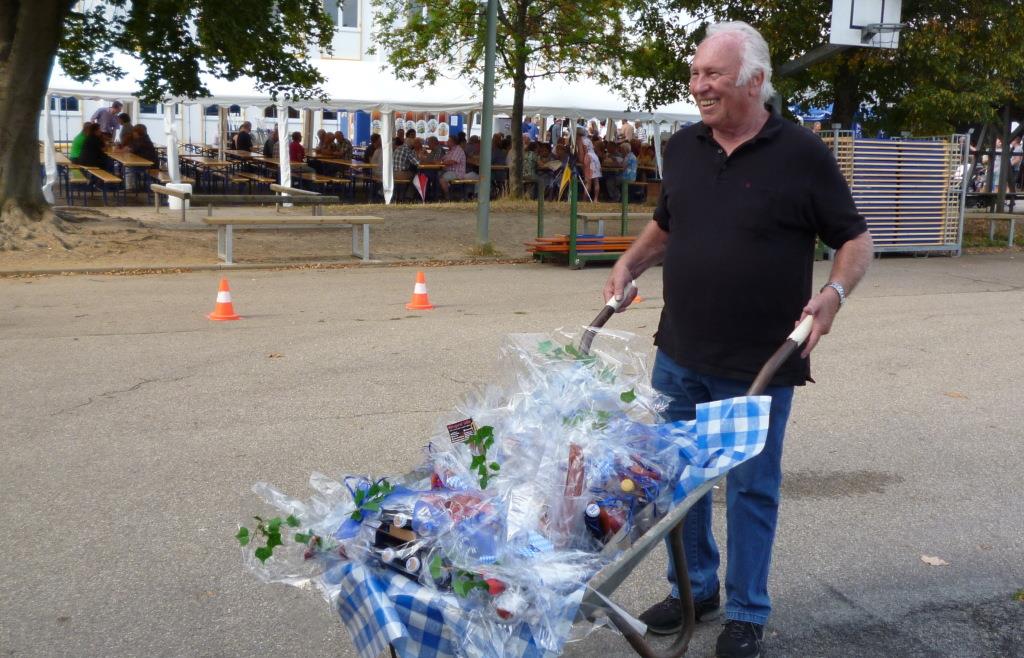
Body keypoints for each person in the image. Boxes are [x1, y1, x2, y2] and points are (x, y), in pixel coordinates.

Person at [602, 21, 873, 658]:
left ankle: (747, 611)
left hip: (759, 363)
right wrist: (629, 263)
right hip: (678, 353)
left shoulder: (801, 154)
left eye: (713, 75)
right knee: (679, 484)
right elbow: (668, 223)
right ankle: (694, 591)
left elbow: (855, 240)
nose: (699, 86)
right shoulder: (684, 147)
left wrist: (833, 294)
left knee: (750, 488)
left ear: (754, 81)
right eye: (695, 74)